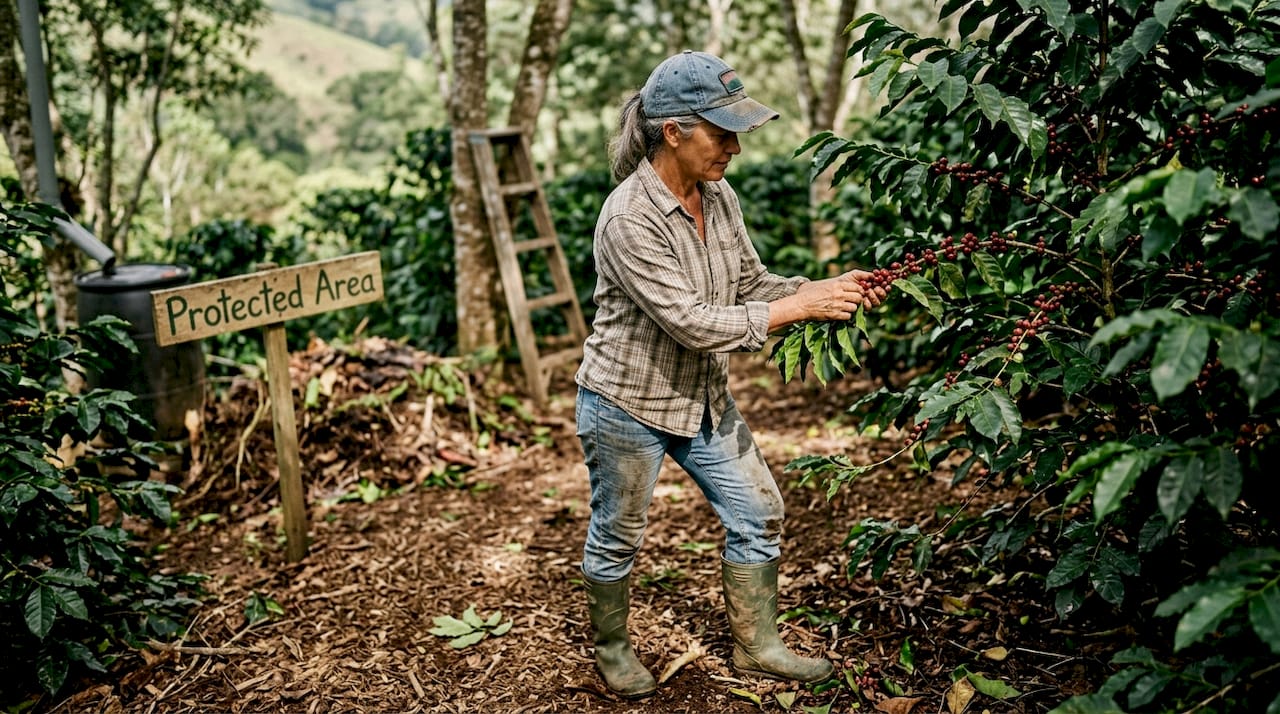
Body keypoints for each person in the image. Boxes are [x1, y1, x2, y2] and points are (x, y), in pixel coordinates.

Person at [575, 49, 886, 699]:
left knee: (759, 510)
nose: (735, 148)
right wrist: (799, 306)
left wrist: (819, 288)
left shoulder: (718, 196)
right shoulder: (628, 218)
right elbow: (691, 321)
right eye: (722, 133)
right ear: (673, 132)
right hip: (626, 402)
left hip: (702, 396)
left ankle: (758, 647)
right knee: (618, 534)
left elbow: (749, 283)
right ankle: (610, 647)